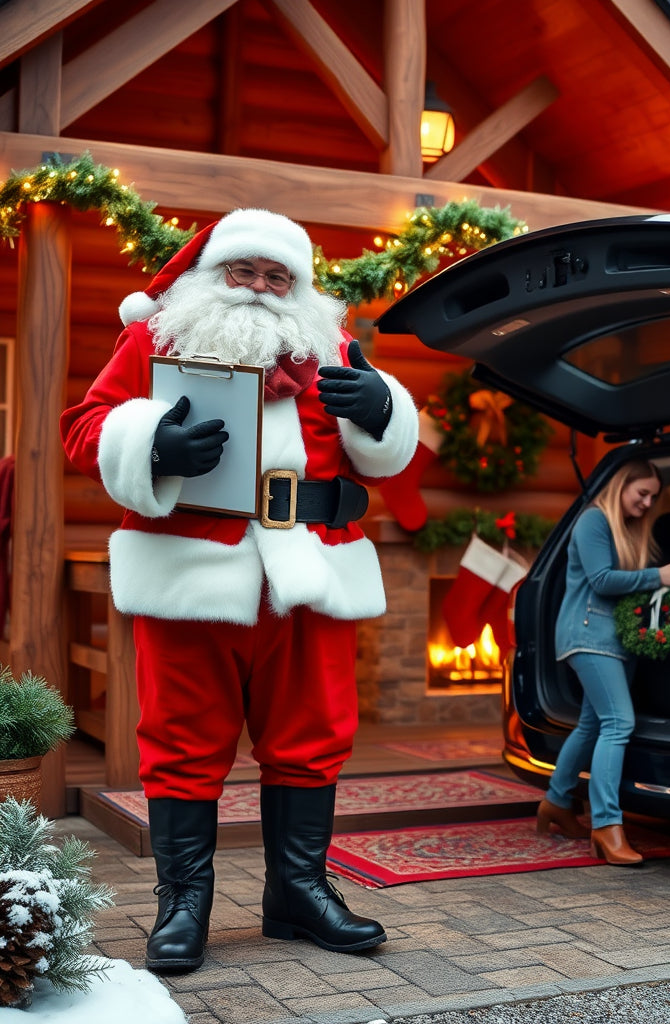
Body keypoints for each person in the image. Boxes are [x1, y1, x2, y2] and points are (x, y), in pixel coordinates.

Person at [60, 209, 419, 973]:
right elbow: (83, 428)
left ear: (299, 287)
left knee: (314, 736)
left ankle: (298, 893)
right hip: (193, 573)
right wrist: (151, 440)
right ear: (211, 275)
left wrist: (384, 411)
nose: (259, 288)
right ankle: (182, 905)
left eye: (277, 275)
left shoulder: (336, 349)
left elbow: (387, 458)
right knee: (183, 741)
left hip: (312, 575)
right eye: (243, 271)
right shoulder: (154, 338)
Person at [535, 460, 670, 865]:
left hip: (613, 640)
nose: (647, 502)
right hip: (588, 636)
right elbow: (601, 580)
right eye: (642, 493)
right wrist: (657, 576)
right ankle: (606, 825)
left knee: (591, 724)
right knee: (620, 722)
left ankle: (556, 802)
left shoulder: (630, 528)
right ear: (622, 485)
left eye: (653, 496)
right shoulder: (593, 521)